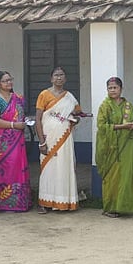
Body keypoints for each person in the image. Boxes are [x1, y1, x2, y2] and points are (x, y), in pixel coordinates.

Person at [35, 66, 82, 212]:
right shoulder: (44, 94)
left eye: (62, 75)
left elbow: (78, 115)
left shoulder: (70, 97)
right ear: (51, 78)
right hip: (48, 138)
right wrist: (41, 141)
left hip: (65, 139)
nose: (59, 78)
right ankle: (45, 202)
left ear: (65, 78)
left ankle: (64, 202)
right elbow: (38, 119)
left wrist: (74, 119)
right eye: (56, 75)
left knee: (64, 167)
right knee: (48, 169)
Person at [0, 70, 31, 212]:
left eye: (10, 79)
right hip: (3, 142)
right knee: (5, 169)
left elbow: (20, 117)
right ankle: (3, 202)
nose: (9, 83)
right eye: (5, 81)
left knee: (19, 167)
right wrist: (13, 125)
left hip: (18, 140)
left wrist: (24, 123)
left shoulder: (18, 97)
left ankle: (20, 201)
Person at [96, 76, 133, 217]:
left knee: (127, 175)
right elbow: (102, 126)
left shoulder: (128, 106)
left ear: (121, 89)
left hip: (126, 145)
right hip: (111, 147)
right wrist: (122, 126)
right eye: (110, 88)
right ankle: (110, 208)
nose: (112, 90)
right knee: (112, 178)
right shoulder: (105, 106)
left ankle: (127, 206)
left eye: (115, 88)